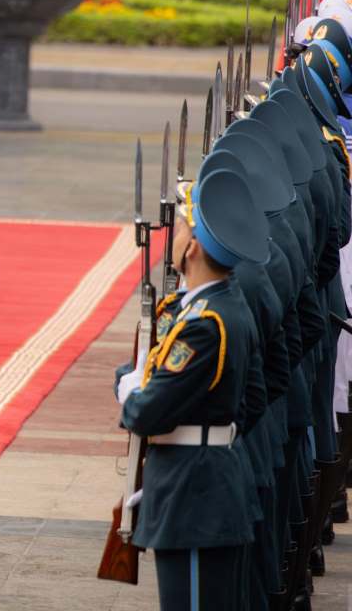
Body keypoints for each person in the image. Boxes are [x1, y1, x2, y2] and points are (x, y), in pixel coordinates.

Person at [115, 167, 268, 610]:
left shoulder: (205, 325)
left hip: (196, 498)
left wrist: (133, 392)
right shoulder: (218, 306)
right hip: (204, 483)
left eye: (180, 227)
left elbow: (145, 413)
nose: (174, 235)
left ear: (194, 245)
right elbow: (252, 399)